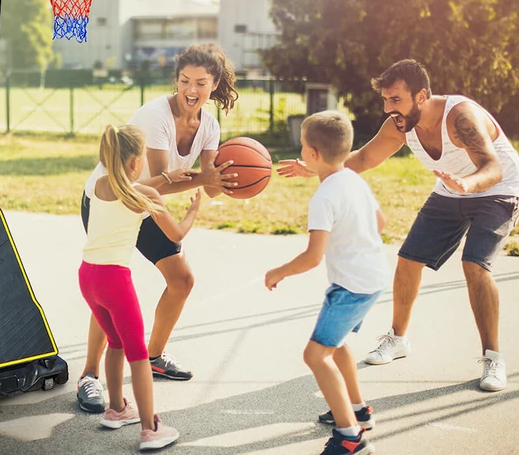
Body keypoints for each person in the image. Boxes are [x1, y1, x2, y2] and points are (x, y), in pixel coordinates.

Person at [278, 59, 519, 392]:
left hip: (497, 189)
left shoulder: (460, 117)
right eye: (386, 100)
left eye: (396, 100)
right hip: (451, 189)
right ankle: (398, 339)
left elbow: (492, 166)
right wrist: (317, 166)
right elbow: (362, 159)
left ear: (421, 96)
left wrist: (468, 185)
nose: (389, 108)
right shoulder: (399, 125)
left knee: (474, 264)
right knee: (408, 259)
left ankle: (493, 357)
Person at [77, 43, 239, 413]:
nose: (191, 89)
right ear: (177, 81)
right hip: (110, 200)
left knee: (182, 281)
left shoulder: (209, 125)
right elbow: (157, 182)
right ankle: (88, 375)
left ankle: (154, 356)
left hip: (147, 202)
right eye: (184, 81)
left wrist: (233, 179)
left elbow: (209, 184)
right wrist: (204, 178)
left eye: (200, 82)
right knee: (108, 288)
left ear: (213, 84)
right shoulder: (155, 117)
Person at [267, 111, 389, 455]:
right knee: (335, 345)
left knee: (315, 356)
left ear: (311, 154)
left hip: (350, 287)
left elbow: (312, 257)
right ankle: (359, 411)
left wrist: (278, 272)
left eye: (303, 145)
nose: (302, 150)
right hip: (374, 277)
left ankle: (350, 436)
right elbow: (380, 222)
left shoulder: (323, 198)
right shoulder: (353, 179)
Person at [80, 124, 201, 450]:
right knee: (137, 354)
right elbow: (175, 235)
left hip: (87, 277)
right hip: (114, 281)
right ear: (136, 162)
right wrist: (192, 211)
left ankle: (117, 408)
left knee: (116, 343)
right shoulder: (144, 194)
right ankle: (151, 429)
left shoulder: (100, 186)